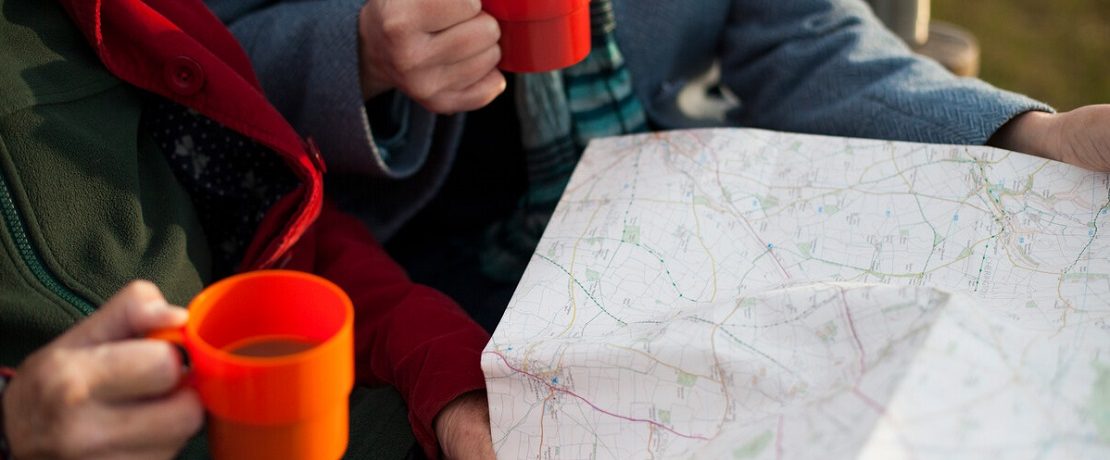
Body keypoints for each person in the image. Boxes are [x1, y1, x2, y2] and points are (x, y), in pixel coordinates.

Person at [208, 0, 1110, 331]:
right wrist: (358, 51)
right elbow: (192, 52)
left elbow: (801, 36)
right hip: (391, 277)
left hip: (663, 239)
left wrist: (1033, 137)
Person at [0, 0, 494, 458]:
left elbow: (278, 224)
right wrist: (14, 427)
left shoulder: (101, 18)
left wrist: (447, 375)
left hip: (364, 415)